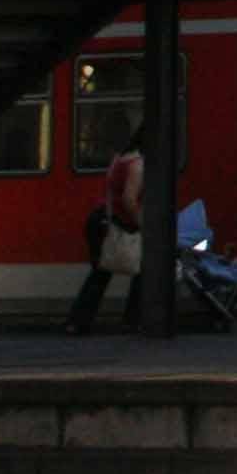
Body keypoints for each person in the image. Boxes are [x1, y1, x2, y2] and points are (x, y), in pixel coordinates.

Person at [68, 118, 148, 337]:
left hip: (102, 221)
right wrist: (144, 224)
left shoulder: (120, 158)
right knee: (145, 270)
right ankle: (133, 320)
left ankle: (77, 322)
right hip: (118, 225)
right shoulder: (137, 164)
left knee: (100, 273)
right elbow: (130, 200)